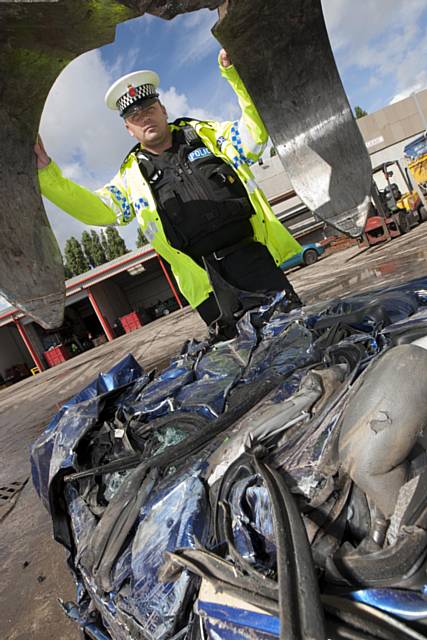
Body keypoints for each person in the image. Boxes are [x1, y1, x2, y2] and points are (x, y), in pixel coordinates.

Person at [35, 49, 302, 332]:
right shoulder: (132, 177)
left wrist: (235, 75)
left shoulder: (208, 136)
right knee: (245, 361)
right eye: (136, 116)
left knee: (294, 331)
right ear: (128, 129)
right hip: (205, 284)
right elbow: (98, 211)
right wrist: (46, 174)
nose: (145, 118)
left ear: (163, 110)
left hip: (253, 260)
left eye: (150, 108)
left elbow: (254, 136)